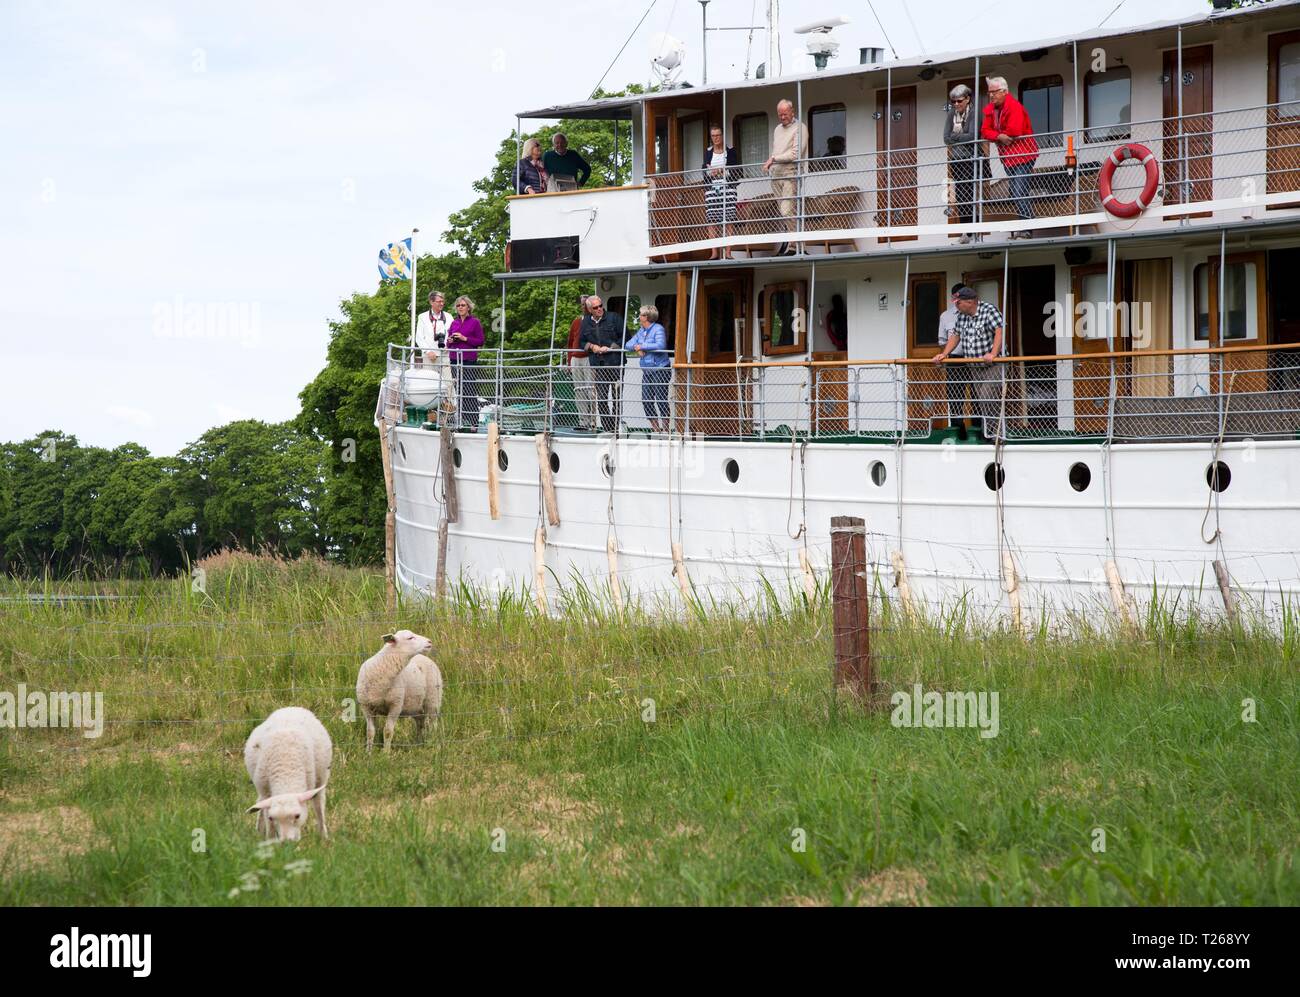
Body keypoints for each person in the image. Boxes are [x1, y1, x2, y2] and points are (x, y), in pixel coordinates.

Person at [932, 286, 1005, 439]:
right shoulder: (962, 316)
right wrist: (944, 354)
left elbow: (999, 331)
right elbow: (955, 336)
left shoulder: (989, 310)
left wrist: (993, 353)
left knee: (987, 397)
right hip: (974, 366)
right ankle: (990, 433)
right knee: (982, 401)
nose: (956, 306)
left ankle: (995, 435)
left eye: (958, 303)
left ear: (970, 302)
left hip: (993, 365)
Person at [981, 76, 1039, 238]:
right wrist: (999, 137)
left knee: (1019, 191)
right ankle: (1026, 226)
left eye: (994, 92)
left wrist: (996, 135)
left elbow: (1014, 131)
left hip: (1023, 155)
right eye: (989, 92)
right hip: (1008, 158)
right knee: (1015, 191)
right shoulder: (990, 110)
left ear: (1004, 92)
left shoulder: (1014, 107)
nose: (991, 95)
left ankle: (1027, 229)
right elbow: (985, 131)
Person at [762, 99, 809, 256]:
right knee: (786, 211)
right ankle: (792, 243)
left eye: (785, 114)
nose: (782, 117)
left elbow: (795, 154)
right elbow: (777, 151)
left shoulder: (800, 128)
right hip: (776, 176)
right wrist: (770, 164)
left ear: (792, 112)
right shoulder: (777, 130)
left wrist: (773, 159)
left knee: (786, 210)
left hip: (791, 173)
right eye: (779, 114)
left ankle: (796, 244)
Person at [577, 295, 625, 432]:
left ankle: (615, 427)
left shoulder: (614, 318)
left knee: (617, 398)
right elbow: (581, 342)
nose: (599, 309)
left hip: (616, 363)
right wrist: (592, 346)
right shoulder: (585, 322)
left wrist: (610, 347)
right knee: (602, 399)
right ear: (589, 309)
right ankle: (608, 428)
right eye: (595, 307)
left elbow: (626, 336)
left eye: (601, 305)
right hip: (598, 366)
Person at [625, 304, 671, 433]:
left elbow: (661, 345)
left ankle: (666, 431)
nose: (639, 317)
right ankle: (657, 431)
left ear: (647, 317)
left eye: (641, 314)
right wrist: (637, 348)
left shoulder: (658, 329)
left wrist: (642, 346)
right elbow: (628, 344)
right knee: (646, 400)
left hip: (660, 369)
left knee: (661, 400)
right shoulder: (641, 331)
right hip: (647, 370)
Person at [944, 84, 978, 243]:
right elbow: (945, 138)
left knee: (970, 196)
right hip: (957, 160)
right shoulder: (951, 113)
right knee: (961, 197)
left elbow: (973, 136)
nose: (956, 104)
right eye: (953, 102)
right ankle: (966, 232)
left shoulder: (974, 113)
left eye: (959, 101)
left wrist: (956, 136)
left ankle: (974, 231)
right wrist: (960, 136)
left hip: (971, 159)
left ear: (967, 99)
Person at [447, 295, 485, 430]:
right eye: (458, 306)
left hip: (468, 360)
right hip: (454, 359)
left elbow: (480, 341)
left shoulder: (475, 322)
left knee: (469, 389)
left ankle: (474, 421)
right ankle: (462, 419)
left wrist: (464, 338)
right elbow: (447, 343)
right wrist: (450, 341)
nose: (460, 308)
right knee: (459, 390)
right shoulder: (454, 323)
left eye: (462, 305)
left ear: (468, 307)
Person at [702, 124, 739, 260]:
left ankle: (728, 252)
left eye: (718, 135)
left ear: (722, 136)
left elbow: (737, 170)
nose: (716, 138)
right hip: (712, 190)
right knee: (712, 220)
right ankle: (714, 252)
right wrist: (710, 171)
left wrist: (723, 170)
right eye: (713, 136)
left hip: (728, 189)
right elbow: (704, 170)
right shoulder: (708, 152)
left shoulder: (731, 151)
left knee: (728, 219)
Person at [938, 284, 970, 431]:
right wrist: (944, 355)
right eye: (956, 296)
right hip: (954, 359)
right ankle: (958, 428)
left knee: (978, 395)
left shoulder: (974, 312)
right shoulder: (945, 316)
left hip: (974, 358)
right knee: (955, 395)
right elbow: (942, 341)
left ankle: (979, 427)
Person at [565, 295, 598, 431]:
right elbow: (570, 342)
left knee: (591, 390)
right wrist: (569, 362)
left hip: (589, 358)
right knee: (579, 391)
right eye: (582, 304)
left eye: (585, 304)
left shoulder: (595, 322)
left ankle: (593, 421)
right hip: (575, 358)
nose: (583, 306)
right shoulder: (576, 322)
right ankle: (583, 421)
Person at [414, 291, 451, 366]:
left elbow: (452, 334)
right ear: (431, 302)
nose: (441, 304)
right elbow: (419, 337)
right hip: (429, 358)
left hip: (445, 356)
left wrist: (449, 344)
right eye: (439, 301)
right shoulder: (422, 317)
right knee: (430, 377)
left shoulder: (449, 316)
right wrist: (428, 351)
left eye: (442, 301)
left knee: (447, 378)